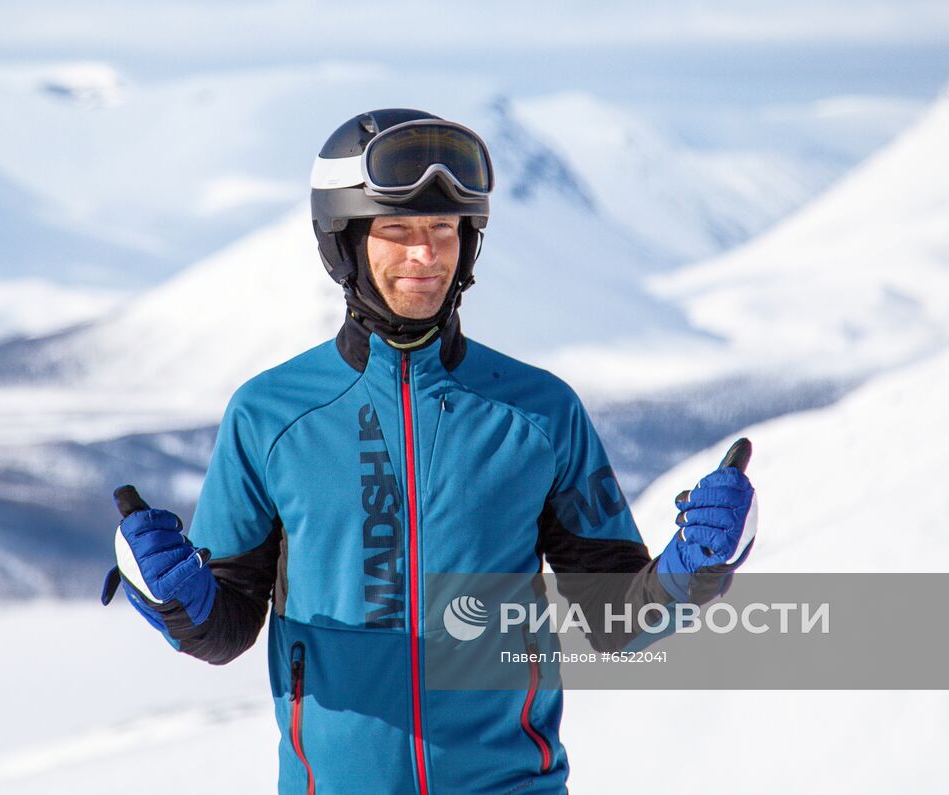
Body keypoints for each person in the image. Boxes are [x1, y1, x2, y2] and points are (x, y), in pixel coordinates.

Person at [101, 108, 758, 794]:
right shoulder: (271, 415)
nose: (426, 254)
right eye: (398, 230)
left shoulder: (538, 411)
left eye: (444, 229)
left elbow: (617, 618)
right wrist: (175, 596)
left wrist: (697, 567)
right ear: (345, 243)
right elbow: (225, 626)